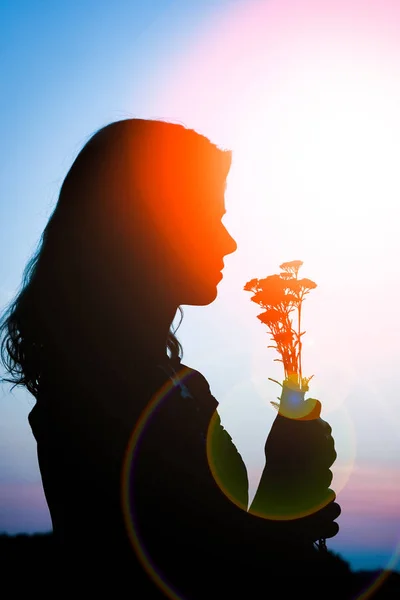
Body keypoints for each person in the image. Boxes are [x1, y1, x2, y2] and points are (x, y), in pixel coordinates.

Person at [0, 119, 346, 598]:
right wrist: (286, 490)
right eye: (210, 215)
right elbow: (199, 578)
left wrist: (287, 497)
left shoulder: (182, 384)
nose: (228, 241)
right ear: (147, 223)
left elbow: (230, 543)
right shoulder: (89, 402)